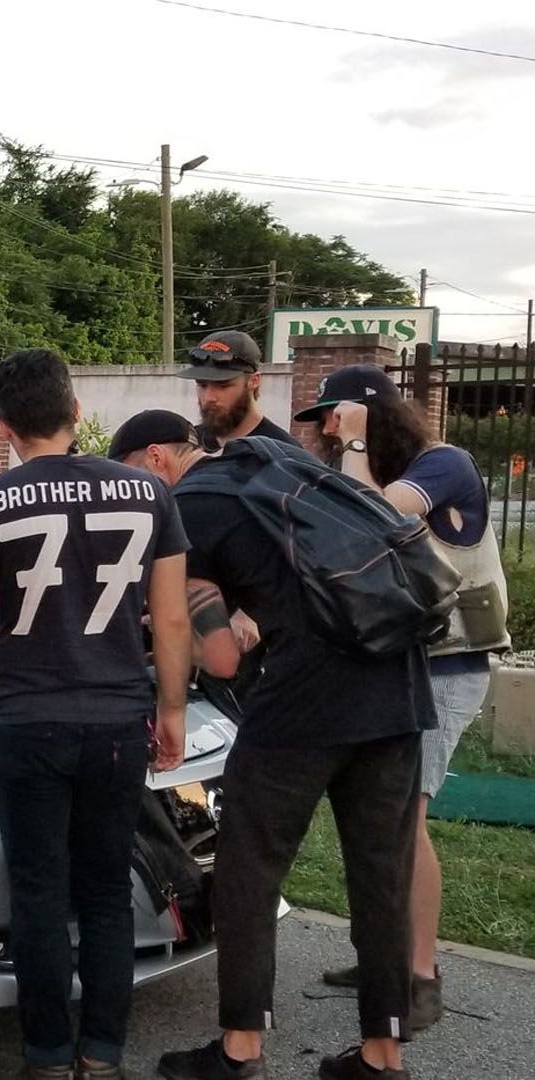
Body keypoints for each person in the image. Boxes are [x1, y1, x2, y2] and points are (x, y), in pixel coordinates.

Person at [113, 409, 431, 1080]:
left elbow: (222, 660)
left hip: (303, 702)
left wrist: (192, 638)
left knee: (248, 871)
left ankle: (239, 1051)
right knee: (381, 875)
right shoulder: (279, 466)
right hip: (398, 683)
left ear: (153, 462)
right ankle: (383, 1055)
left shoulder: (186, 508)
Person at [0, 351, 193, 1080]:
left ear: (6, 423)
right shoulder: (149, 493)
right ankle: (103, 1058)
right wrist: (169, 709)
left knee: (39, 893)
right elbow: (171, 624)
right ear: (76, 410)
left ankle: (46, 1058)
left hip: (29, 719)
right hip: (117, 720)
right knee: (107, 890)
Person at [297, 365, 511, 1033]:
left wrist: (357, 445)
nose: (328, 427)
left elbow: (373, 521)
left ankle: (420, 977)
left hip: (448, 669)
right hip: (399, 666)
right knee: (378, 819)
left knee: (405, 822)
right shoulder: (374, 471)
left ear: (369, 413)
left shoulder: (443, 464)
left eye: (338, 414)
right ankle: (386, 957)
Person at [176, 330, 301, 451]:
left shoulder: (284, 454)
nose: (209, 397)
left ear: (254, 381)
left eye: (223, 386)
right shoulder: (186, 444)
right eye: (202, 385)